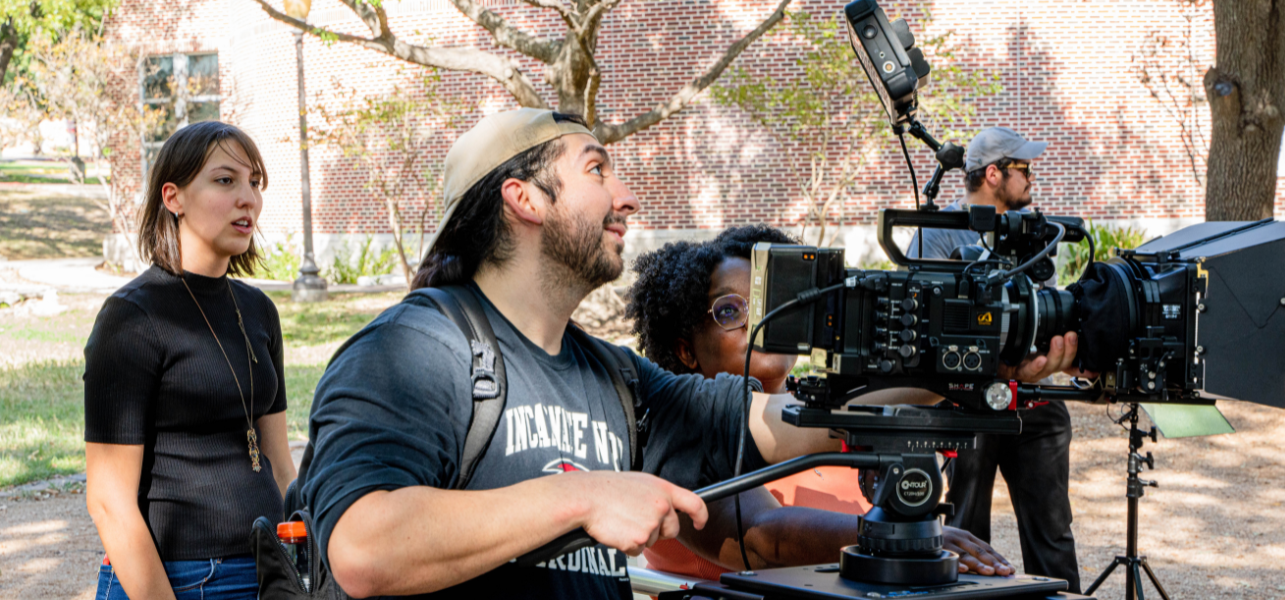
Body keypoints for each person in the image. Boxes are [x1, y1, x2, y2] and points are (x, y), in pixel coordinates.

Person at [295, 109, 1082, 599]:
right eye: (597, 169)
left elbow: (791, 424)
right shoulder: (412, 345)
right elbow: (364, 548)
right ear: (523, 199)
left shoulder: (611, 376)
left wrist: (966, 372)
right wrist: (583, 497)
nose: (626, 197)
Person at [627, 225, 1015, 579]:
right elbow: (765, 537)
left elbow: (881, 405)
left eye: (771, 304)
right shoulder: (681, 426)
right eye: (730, 310)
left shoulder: (819, 405)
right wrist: (903, 540)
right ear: (685, 350)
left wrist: (995, 362)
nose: (759, 321)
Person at [84, 121, 297, 600]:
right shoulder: (132, 317)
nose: (248, 198)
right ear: (173, 197)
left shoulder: (259, 310)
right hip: (183, 578)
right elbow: (108, 500)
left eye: (254, 182)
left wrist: (305, 551)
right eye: (226, 181)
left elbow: (281, 461)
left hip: (270, 569)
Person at [907, 126, 1085, 592]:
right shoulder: (938, 237)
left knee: (1053, 533)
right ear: (993, 174)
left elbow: (1041, 316)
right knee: (966, 529)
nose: (1032, 178)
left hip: (1034, 397)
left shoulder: (1031, 235)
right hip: (967, 402)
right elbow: (921, 329)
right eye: (1023, 168)